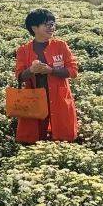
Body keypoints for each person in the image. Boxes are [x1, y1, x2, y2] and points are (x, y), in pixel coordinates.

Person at [14, 8, 79, 144]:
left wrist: (51, 71)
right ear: (34, 28)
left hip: (58, 97)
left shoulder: (61, 45)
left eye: (53, 24)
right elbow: (20, 77)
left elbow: (73, 71)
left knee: (62, 135)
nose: (52, 27)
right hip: (35, 98)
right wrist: (31, 70)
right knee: (34, 136)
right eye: (47, 24)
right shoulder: (23, 50)